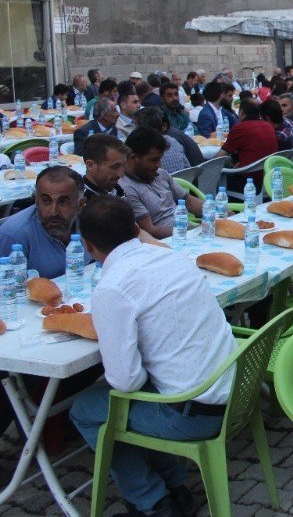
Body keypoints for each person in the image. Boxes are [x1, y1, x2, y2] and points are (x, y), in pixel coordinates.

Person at [70, 196, 236, 517]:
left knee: (87, 409)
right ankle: (176, 487)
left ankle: (152, 503)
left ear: (88, 247)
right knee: (139, 394)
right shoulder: (173, 258)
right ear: (136, 228)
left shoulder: (112, 287)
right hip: (233, 392)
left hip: (193, 415)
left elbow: (125, 381)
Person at [0, 167, 86, 278]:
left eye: (63, 202)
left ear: (81, 204)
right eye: (46, 201)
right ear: (36, 200)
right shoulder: (14, 236)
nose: (53, 212)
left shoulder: (91, 223)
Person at [120, 128, 203, 239]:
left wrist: (216, 211)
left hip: (187, 233)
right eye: (153, 160)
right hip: (168, 242)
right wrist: (193, 230)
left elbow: (188, 201)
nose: (158, 164)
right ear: (133, 157)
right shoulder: (127, 188)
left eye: (160, 159)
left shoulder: (161, 174)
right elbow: (151, 231)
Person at [219, 99, 278, 171]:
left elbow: (220, 156)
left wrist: (206, 164)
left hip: (247, 176)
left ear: (241, 112)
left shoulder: (240, 128)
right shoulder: (269, 126)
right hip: (268, 172)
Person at [133, 107, 190, 174]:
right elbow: (188, 168)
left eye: (136, 127)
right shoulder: (173, 141)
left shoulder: (144, 148)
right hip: (184, 182)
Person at [82, 133, 128, 199]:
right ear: (90, 165)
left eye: (124, 165)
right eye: (115, 167)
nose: (121, 174)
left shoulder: (118, 190)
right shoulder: (82, 202)